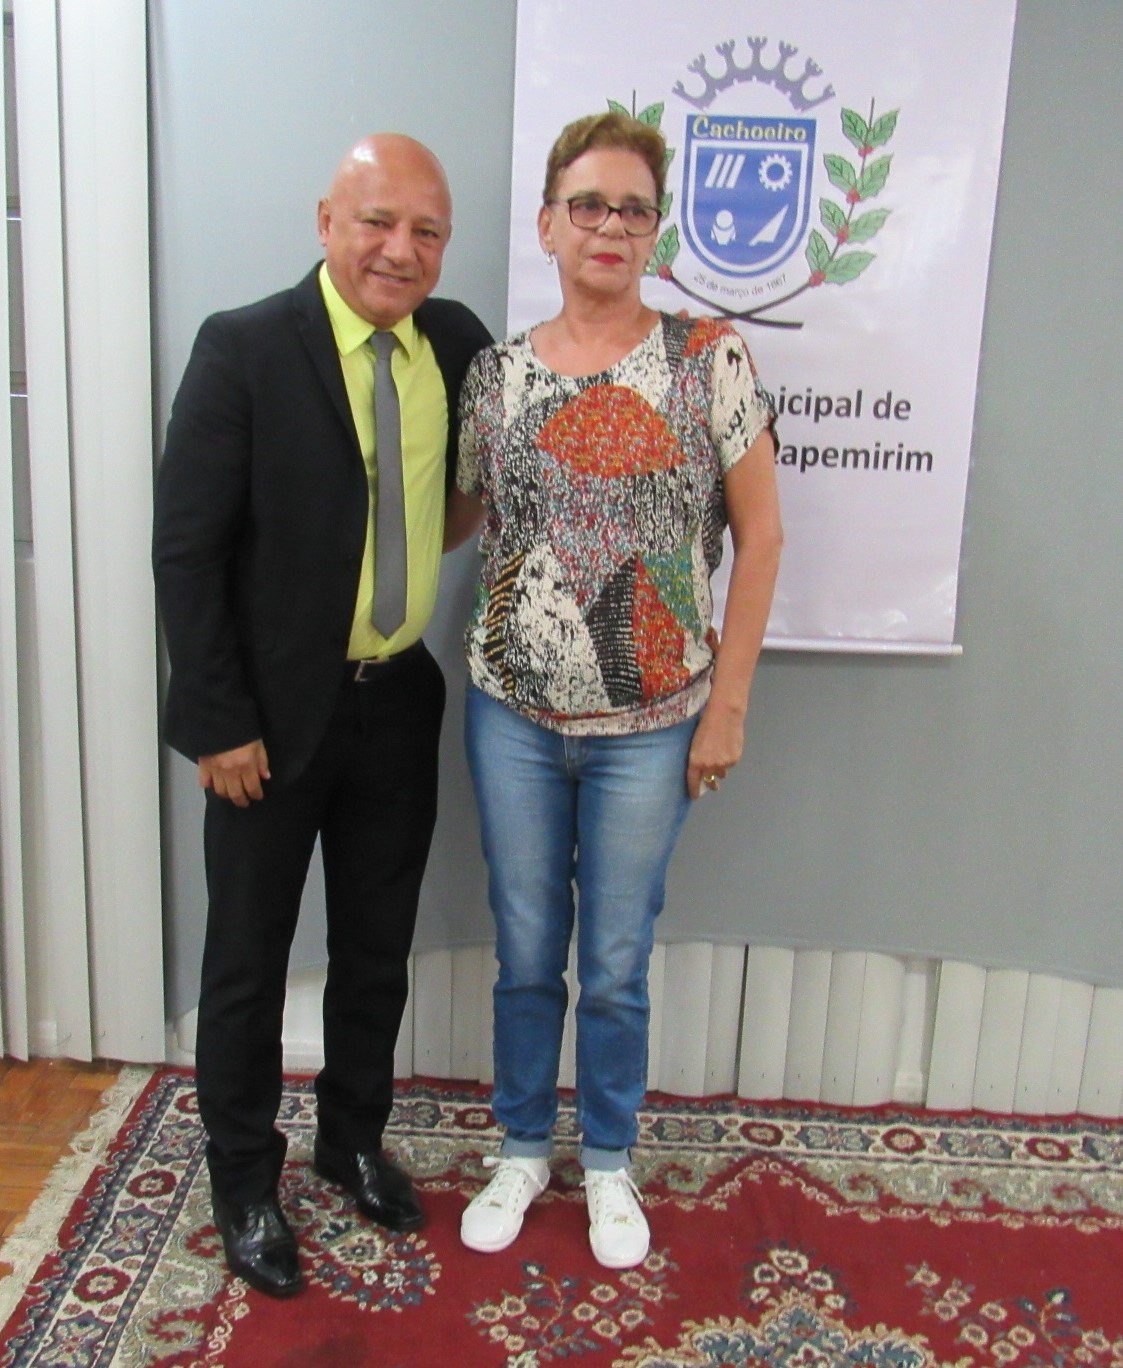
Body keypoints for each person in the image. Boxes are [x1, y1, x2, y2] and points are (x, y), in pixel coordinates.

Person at [152, 133, 492, 1298]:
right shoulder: (244, 347)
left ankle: (350, 1140)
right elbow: (186, 551)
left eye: (426, 231)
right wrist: (217, 722)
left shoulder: (456, 343)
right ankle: (245, 1178)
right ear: (325, 223)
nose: (401, 249)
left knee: (375, 949)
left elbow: (459, 490)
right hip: (266, 722)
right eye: (376, 222)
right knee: (247, 962)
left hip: (395, 702)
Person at [445, 112, 782, 1270]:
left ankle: (605, 1162)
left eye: (632, 209)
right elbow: (461, 517)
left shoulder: (707, 360)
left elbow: (762, 537)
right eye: (586, 204)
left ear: (655, 233)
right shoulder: (495, 377)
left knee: (618, 960)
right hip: (511, 716)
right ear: (547, 224)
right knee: (526, 946)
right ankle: (520, 1148)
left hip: (654, 726)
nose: (608, 225)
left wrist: (727, 706)